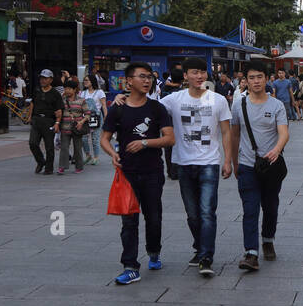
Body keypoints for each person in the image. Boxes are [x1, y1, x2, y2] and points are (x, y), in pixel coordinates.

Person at [102, 63, 175, 282]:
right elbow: (105, 138)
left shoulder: (156, 109)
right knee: (129, 221)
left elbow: (170, 139)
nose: (147, 81)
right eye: (142, 77)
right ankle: (130, 266)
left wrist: (144, 143)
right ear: (128, 81)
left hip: (152, 172)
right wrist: (112, 155)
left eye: (149, 77)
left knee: (153, 218)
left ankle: (154, 251)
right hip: (127, 173)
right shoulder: (118, 109)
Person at [162, 57, 233, 277]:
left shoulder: (218, 100)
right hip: (184, 163)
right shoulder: (173, 100)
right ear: (185, 76)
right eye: (194, 72)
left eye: (202, 72)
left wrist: (227, 160)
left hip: (209, 163)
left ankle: (206, 256)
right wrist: (121, 101)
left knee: (206, 212)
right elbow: (147, 107)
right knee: (192, 214)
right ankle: (199, 245)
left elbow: (226, 132)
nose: (199, 76)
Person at [229, 59, 290, 272]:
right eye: (251, 78)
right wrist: (233, 162)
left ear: (267, 79)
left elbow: (284, 132)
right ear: (245, 81)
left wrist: (277, 149)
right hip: (247, 165)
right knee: (250, 209)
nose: (256, 81)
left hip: (271, 166)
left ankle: (268, 239)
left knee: (270, 206)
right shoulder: (238, 104)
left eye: (260, 77)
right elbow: (234, 134)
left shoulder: (276, 105)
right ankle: (251, 253)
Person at [29, 69, 63, 175]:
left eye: (45, 78)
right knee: (33, 143)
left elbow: (59, 111)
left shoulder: (55, 94)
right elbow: (32, 103)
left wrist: (57, 123)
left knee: (49, 146)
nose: (42, 80)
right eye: (41, 78)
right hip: (36, 120)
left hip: (49, 121)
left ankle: (49, 168)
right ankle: (41, 161)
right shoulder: (37, 90)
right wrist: (30, 116)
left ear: (51, 80)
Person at [57, 77, 89, 174]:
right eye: (65, 88)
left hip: (77, 128)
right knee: (64, 148)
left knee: (77, 148)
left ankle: (79, 166)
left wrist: (81, 122)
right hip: (65, 128)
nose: (67, 91)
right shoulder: (62, 100)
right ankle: (62, 167)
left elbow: (87, 113)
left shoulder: (81, 100)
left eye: (69, 89)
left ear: (75, 90)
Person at [79, 75, 106, 165]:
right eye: (84, 80)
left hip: (97, 117)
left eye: (87, 80)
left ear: (92, 81)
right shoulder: (83, 93)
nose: (85, 82)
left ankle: (96, 157)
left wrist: (106, 117)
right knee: (84, 138)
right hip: (85, 118)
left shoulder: (100, 92)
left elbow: (104, 106)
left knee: (95, 138)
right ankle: (88, 155)